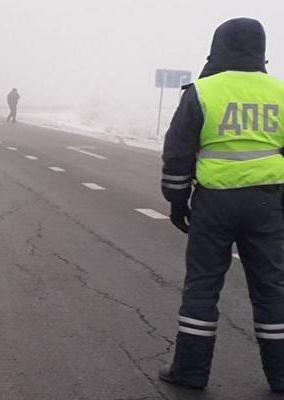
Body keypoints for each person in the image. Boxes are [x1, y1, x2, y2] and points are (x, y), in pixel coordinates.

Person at [159, 18, 284, 392]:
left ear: (218, 47)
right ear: (261, 50)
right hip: (267, 204)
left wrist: (177, 200)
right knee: (272, 289)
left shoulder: (202, 91)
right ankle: (281, 375)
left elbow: (178, 153)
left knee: (202, 287)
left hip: (213, 204)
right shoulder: (280, 92)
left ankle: (191, 373)